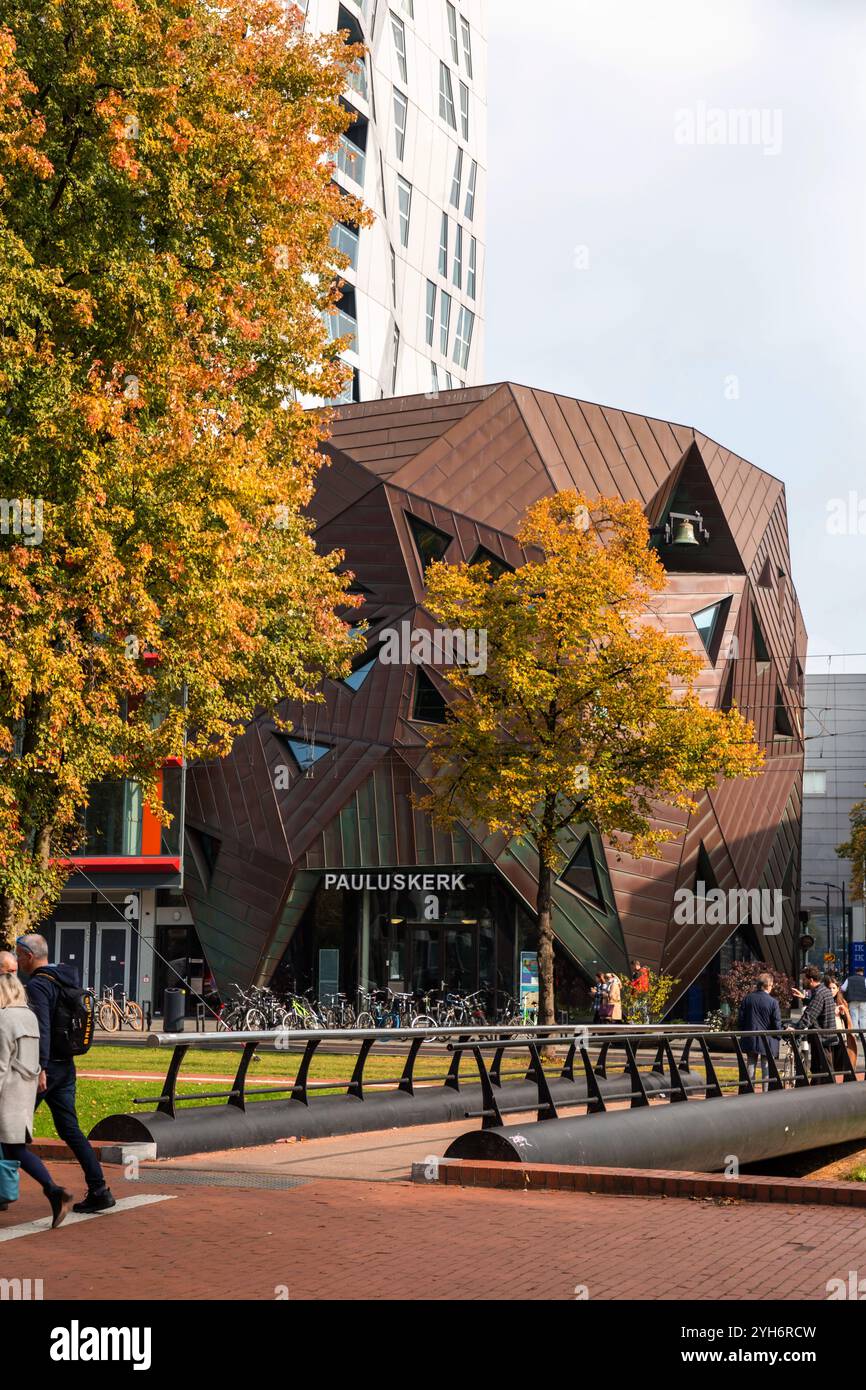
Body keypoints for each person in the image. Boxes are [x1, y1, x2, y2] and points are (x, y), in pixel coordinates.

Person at [16, 934, 115, 1214]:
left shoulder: (38, 985)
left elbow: (42, 1028)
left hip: (44, 1070)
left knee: (10, 1129)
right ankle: (99, 1189)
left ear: (28, 955)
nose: (18, 960)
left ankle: (11, 1190)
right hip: (66, 1065)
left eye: (19, 955)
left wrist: (40, 1067)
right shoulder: (65, 978)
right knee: (70, 1130)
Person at [0, 971, 73, 1226]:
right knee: (14, 1148)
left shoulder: (3, 1019)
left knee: (14, 1148)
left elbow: (0, 1064)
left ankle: (53, 1190)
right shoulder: (29, 1017)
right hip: (24, 1091)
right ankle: (52, 1191)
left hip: (6, 1092)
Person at [737, 973, 781, 1091]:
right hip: (767, 1040)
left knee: (751, 1064)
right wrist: (780, 1035)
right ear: (769, 985)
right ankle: (765, 1092)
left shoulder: (747, 998)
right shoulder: (773, 1002)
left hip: (750, 1037)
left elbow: (740, 1019)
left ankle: (748, 1091)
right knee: (766, 1066)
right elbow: (776, 1024)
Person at [796, 965, 836, 1083]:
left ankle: (831, 1094)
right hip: (827, 1035)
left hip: (821, 1037)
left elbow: (810, 1015)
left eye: (804, 979)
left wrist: (795, 1027)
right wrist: (805, 999)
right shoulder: (824, 990)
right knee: (821, 1069)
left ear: (811, 980)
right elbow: (818, 1007)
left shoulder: (819, 993)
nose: (803, 981)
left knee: (823, 1069)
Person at [827, 976, 857, 1074]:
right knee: (829, 1066)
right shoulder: (825, 1000)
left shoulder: (842, 1002)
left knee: (840, 1067)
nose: (831, 990)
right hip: (828, 1038)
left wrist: (844, 1012)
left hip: (841, 1038)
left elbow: (847, 1021)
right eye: (829, 988)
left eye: (833, 988)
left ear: (838, 989)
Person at [842, 968, 866, 1051]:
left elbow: (843, 988)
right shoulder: (864, 979)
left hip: (852, 1000)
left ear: (856, 972)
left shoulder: (849, 979)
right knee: (863, 1017)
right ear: (862, 973)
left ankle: (855, 1034)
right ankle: (863, 1033)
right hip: (863, 1001)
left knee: (854, 1017)